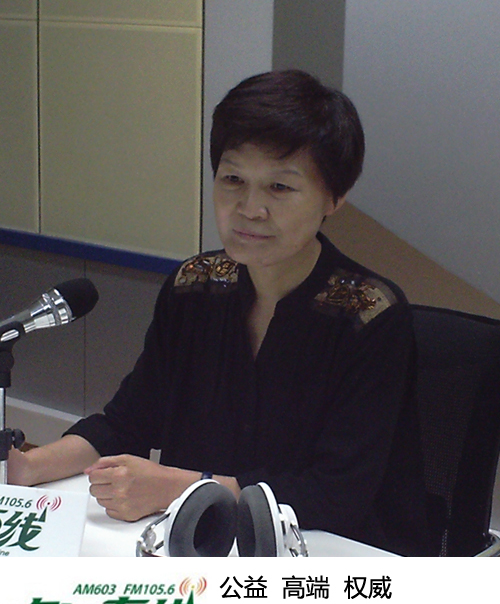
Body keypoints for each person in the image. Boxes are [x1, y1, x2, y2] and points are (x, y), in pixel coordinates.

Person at [8, 70, 431, 556]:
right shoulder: (195, 287)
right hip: (201, 545)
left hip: (330, 559)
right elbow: (128, 421)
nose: (250, 208)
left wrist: (179, 489)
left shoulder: (369, 315)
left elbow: (334, 494)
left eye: (279, 187)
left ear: (334, 198)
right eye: (232, 180)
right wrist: (27, 467)